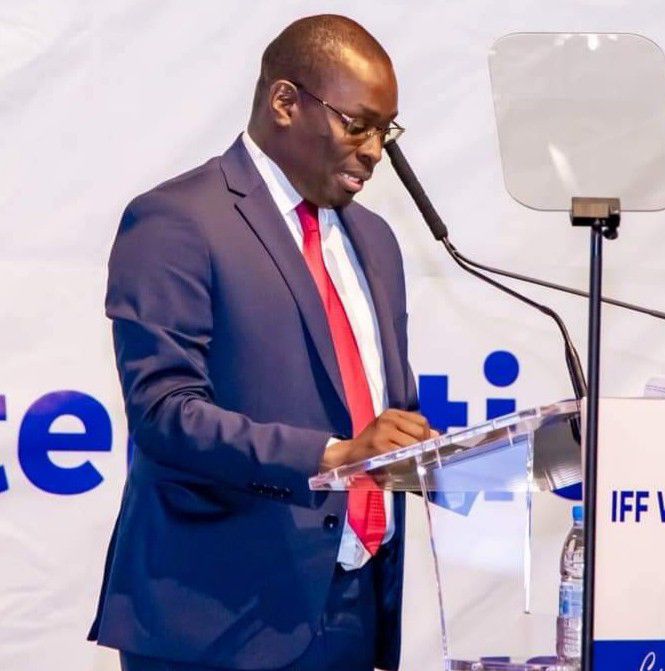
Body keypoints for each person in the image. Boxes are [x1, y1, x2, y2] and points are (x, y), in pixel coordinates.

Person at [89, 14, 432, 671]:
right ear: (284, 102)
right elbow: (164, 414)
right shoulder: (177, 220)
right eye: (357, 124)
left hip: (351, 611)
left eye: (385, 131)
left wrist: (430, 452)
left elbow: (381, 411)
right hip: (216, 620)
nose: (373, 151)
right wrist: (334, 454)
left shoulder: (377, 241)